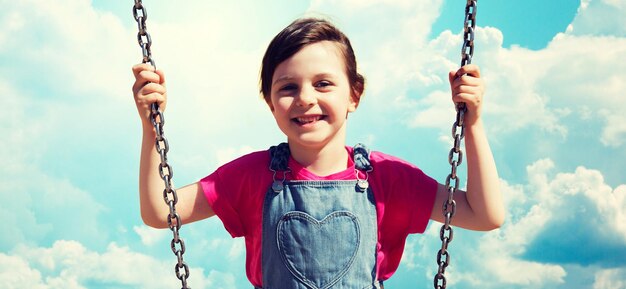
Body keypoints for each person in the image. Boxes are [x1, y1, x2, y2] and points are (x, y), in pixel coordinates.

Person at [132, 17, 503, 289]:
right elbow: (160, 212)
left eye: (323, 83)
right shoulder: (252, 176)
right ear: (270, 103)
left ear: (354, 94)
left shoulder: (387, 177)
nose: (306, 98)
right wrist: (151, 127)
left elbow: (483, 215)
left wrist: (472, 125)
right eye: (287, 87)